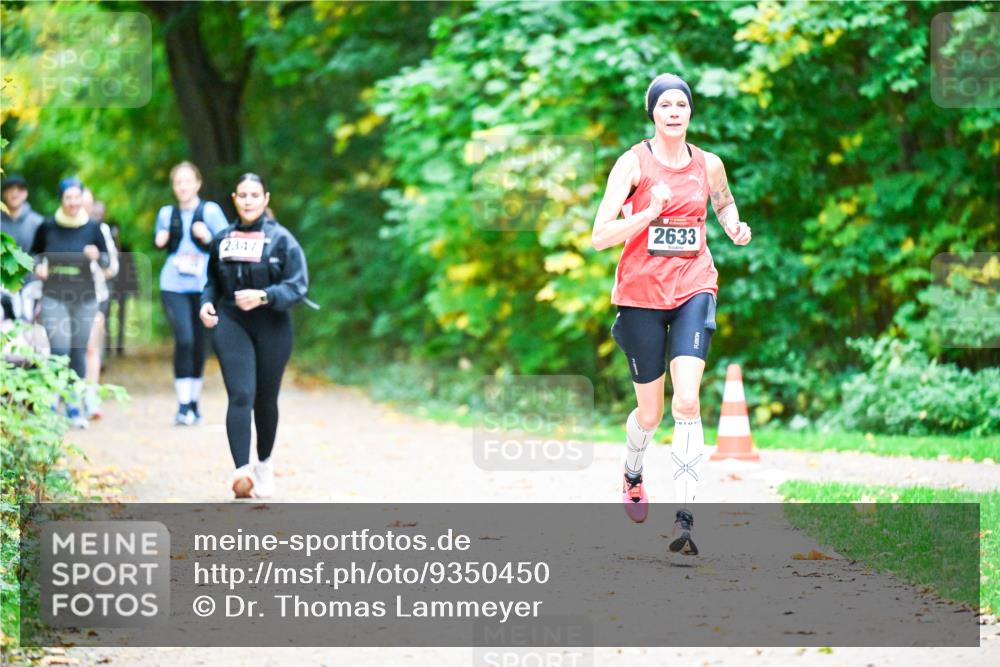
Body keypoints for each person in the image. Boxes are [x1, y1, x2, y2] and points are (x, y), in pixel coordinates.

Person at [591, 73, 752, 553]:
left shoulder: (709, 164)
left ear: (690, 111)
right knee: (651, 411)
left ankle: (684, 521)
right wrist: (646, 213)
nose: (675, 111)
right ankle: (633, 470)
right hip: (640, 296)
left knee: (686, 401)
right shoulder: (632, 164)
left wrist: (734, 226)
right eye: (666, 105)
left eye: (682, 103)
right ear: (653, 113)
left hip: (693, 288)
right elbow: (600, 235)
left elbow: (723, 204)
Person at [199, 173, 309, 499]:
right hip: (232, 321)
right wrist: (206, 304)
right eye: (242, 195)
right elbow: (211, 283)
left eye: (254, 195)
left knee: (265, 399)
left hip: (272, 324)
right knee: (241, 394)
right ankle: (240, 472)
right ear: (234, 198)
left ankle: (263, 464)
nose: (248, 201)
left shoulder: (282, 240)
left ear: (266, 199)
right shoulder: (221, 239)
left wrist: (265, 296)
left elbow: (298, 286)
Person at [30, 177, 111, 429]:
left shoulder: (93, 227)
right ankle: (54, 401)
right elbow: (34, 254)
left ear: (82, 198)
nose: (73, 202)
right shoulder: (48, 226)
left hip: (84, 296)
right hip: (54, 294)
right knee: (60, 348)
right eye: (68, 198)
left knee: (78, 350)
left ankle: (74, 407)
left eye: (77, 197)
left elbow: (108, 261)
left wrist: (98, 256)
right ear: (62, 199)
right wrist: (39, 267)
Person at [154, 162, 228, 425]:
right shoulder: (166, 213)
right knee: (184, 339)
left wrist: (208, 237)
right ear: (174, 187)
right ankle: (182, 405)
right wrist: (160, 239)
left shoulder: (210, 211)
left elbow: (226, 244)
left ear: (198, 183)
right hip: (173, 285)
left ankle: (194, 402)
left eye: (188, 181)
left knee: (199, 343)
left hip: (203, 285)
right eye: (178, 182)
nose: (183, 187)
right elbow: (159, 239)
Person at [81, 188, 119, 418]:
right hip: (65, 296)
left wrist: (99, 262)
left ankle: (91, 399)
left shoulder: (101, 230)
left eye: (88, 204)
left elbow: (113, 266)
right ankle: (70, 397)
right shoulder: (59, 228)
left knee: (90, 347)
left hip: (96, 296)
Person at [1, 174, 45, 321]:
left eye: (19, 190)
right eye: (10, 189)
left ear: (25, 193)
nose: (14, 194)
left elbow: (44, 254)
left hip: (30, 287)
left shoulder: (38, 222)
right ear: (4, 194)